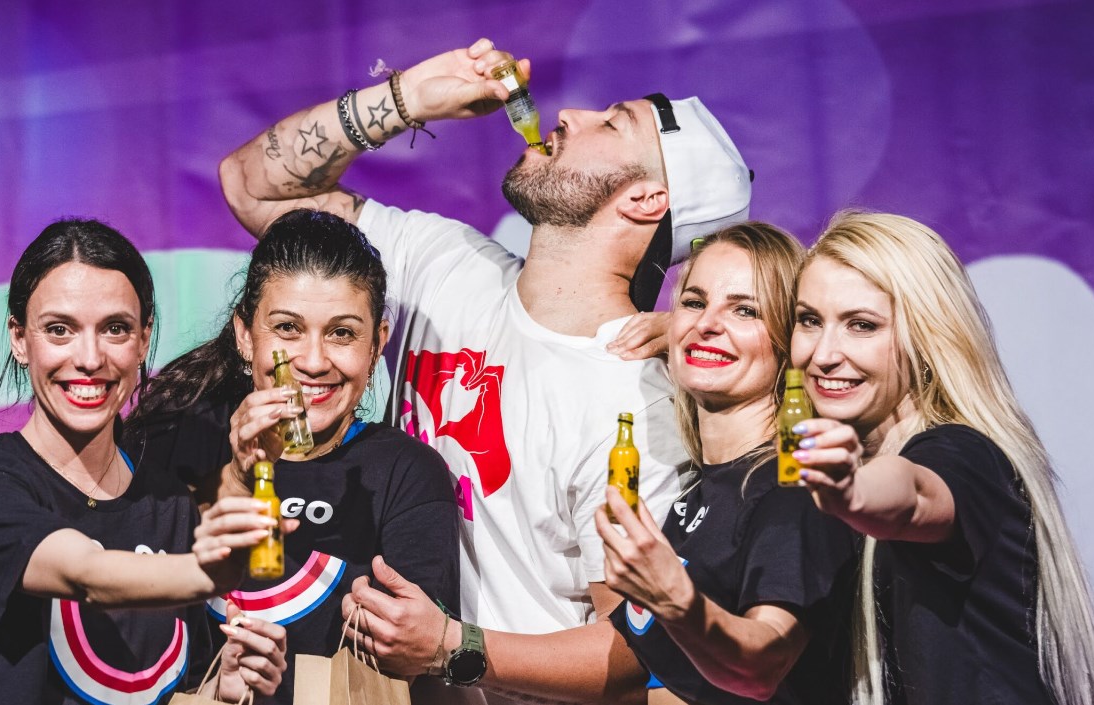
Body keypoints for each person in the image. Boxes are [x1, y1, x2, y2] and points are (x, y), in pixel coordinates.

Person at [219, 38, 751, 696]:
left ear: (646, 199)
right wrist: (407, 98)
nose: (570, 115)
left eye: (614, 123)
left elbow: (632, 651)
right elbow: (250, 186)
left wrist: (453, 648)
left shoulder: (635, 401)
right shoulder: (446, 261)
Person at [342, 224, 858, 705]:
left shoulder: (792, 490)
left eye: (746, 310)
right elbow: (637, 664)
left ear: (794, 338)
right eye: (694, 302)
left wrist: (451, 646)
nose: (708, 323)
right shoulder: (702, 493)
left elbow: (762, 664)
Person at [0, 219, 286, 704]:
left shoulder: (170, 505)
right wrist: (205, 573)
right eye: (60, 330)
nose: (90, 358)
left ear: (143, 340)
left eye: (115, 329)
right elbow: (84, 574)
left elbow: (171, 690)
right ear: (19, 338)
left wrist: (222, 691)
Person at [124, 209, 460, 705]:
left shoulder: (407, 474)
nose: (314, 361)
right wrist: (237, 476)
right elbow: (117, 608)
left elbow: (416, 662)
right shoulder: (171, 438)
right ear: (245, 335)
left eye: (342, 333)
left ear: (377, 345)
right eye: (287, 328)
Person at [790, 210, 1094, 705]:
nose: (824, 354)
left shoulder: (963, 454)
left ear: (928, 337)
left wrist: (851, 492)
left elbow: (913, 495)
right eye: (809, 320)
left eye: (862, 325)